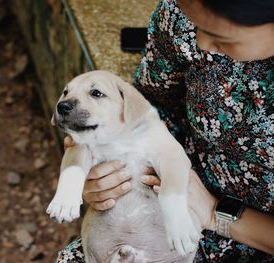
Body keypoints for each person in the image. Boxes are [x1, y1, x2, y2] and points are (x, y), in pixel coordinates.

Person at [55, 0, 274, 261]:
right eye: (196, 25)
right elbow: (153, 104)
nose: (201, 44)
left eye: (220, 37)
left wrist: (215, 213)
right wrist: (101, 167)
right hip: (164, 204)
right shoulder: (180, 14)